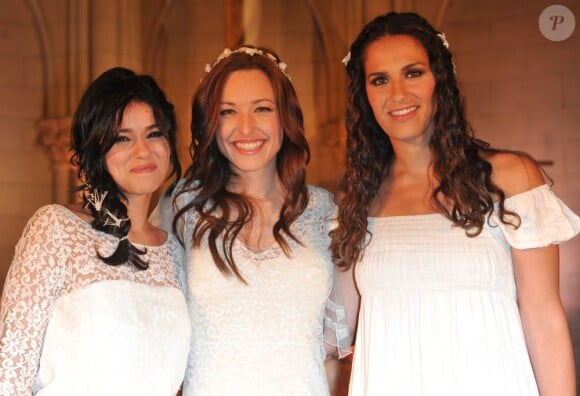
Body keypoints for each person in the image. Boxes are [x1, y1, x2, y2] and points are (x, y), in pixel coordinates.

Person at [330, 11, 579, 396]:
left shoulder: (510, 178)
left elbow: (544, 320)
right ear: (365, 95)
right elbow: (335, 331)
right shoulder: (358, 201)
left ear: (439, 80)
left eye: (413, 72)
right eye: (380, 80)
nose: (397, 94)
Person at [154, 45, 350, 395]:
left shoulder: (323, 210)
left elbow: (336, 349)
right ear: (211, 125)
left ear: (284, 118)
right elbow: (154, 324)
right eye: (228, 112)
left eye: (262, 109)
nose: (245, 128)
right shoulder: (182, 205)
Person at [0, 67, 191, 395]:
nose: (142, 151)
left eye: (154, 133)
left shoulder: (175, 252)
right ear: (97, 150)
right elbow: (9, 373)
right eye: (122, 138)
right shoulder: (57, 230)